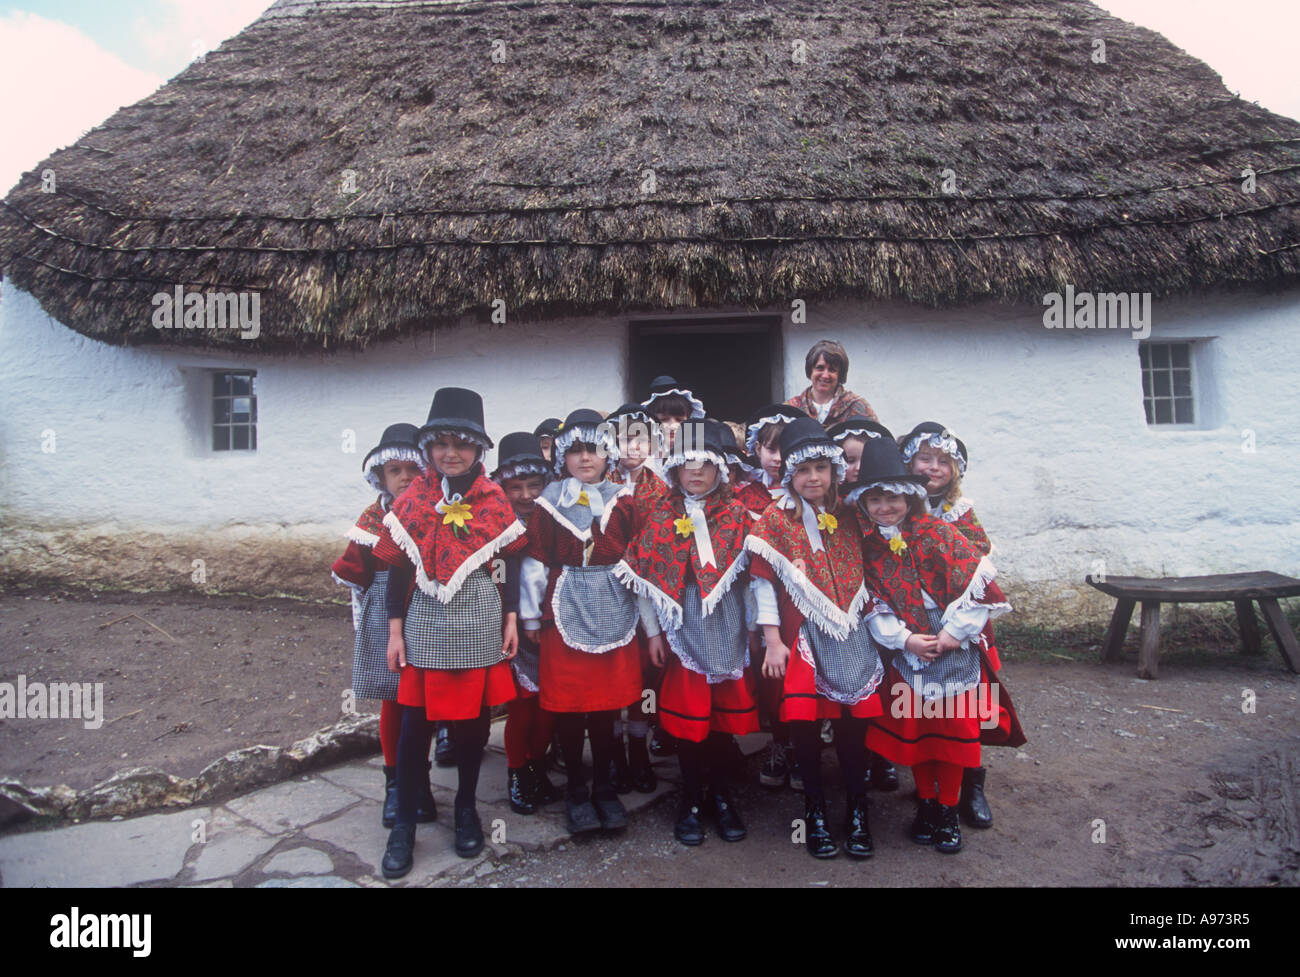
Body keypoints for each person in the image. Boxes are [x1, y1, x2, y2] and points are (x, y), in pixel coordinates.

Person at [373, 388, 526, 877]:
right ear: (428, 448)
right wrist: (395, 631)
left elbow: (508, 563)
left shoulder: (493, 497)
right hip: (425, 618)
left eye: (462, 443)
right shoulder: (414, 498)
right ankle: (405, 826)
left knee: (472, 724)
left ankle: (466, 808)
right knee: (416, 724)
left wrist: (510, 617)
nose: (451, 453)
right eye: (441, 443)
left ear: (479, 448)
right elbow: (397, 567)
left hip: (479, 615)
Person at [848, 437, 1023, 855]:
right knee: (920, 735)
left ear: (909, 496)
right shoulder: (866, 547)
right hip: (909, 651)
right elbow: (871, 602)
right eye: (875, 499)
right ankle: (926, 805)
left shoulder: (938, 533)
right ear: (863, 503)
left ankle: (948, 811)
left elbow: (980, 586)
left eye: (892, 497)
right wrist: (904, 639)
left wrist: (952, 633)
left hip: (952, 646)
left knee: (950, 735)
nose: (885, 506)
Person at [745, 417, 910, 860]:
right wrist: (773, 639)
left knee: (853, 727)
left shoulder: (851, 514)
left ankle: (859, 811)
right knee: (804, 729)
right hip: (801, 638)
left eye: (821, 468)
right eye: (803, 470)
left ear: (835, 471)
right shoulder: (774, 521)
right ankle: (814, 812)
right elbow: (763, 583)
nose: (813, 478)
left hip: (851, 633)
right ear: (790, 475)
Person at [613, 419, 758, 846]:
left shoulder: (739, 517)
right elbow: (645, 580)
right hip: (683, 628)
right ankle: (691, 798)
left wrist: (752, 632)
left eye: (705, 464)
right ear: (674, 469)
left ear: (721, 470)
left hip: (728, 626)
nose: (696, 472)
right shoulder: (661, 517)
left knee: (720, 724)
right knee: (692, 723)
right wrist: (655, 633)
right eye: (686, 464)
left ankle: (721, 796)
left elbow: (753, 583)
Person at [520, 409, 644, 835]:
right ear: (563, 457)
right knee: (571, 708)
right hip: (564, 608)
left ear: (607, 452)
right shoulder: (549, 503)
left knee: (607, 708)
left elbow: (638, 562)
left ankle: (605, 789)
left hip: (614, 609)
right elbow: (536, 563)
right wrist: (532, 615)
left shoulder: (625, 500)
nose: (584, 458)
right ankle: (576, 788)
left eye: (592, 449)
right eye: (574, 450)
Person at [899, 421, 999, 826]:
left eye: (943, 461)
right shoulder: (897, 506)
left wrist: (957, 629)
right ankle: (925, 786)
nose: (934, 468)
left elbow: (983, 572)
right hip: (914, 624)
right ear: (910, 463)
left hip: (961, 626)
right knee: (918, 705)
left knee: (965, 708)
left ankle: (970, 782)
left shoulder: (961, 513)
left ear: (954, 470)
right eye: (926, 459)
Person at [330, 422, 430, 828]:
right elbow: (355, 577)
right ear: (381, 477)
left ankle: (419, 779)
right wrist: (365, 626)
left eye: (412, 468)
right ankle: (395, 783)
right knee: (394, 698)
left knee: (422, 700)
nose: (405, 477)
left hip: (428, 611)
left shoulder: (434, 514)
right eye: (395, 471)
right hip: (385, 617)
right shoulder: (373, 521)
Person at [492, 432, 564, 815]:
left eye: (533, 486)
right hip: (512, 625)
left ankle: (538, 763)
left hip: (554, 622)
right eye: (514, 487)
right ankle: (517, 770)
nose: (524, 495)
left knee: (548, 702)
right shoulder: (495, 527)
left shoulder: (555, 518)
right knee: (523, 703)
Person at [828, 416, 900, 793]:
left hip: (892, 608)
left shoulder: (888, 503)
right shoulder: (833, 508)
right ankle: (852, 754)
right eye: (848, 460)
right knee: (858, 683)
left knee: (890, 679)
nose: (854, 469)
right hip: (851, 609)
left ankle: (883, 753)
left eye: (861, 460)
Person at [602, 402, 670, 793]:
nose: (632, 447)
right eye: (624, 439)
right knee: (614, 670)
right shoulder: (598, 483)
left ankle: (639, 745)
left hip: (646, 592)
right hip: (605, 590)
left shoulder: (660, 490)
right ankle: (611, 750)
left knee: (646, 674)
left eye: (640, 439)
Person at [741, 403, 804, 789]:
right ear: (756, 450)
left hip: (800, 600)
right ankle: (779, 742)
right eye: (770, 448)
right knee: (771, 674)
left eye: (785, 449)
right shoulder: (745, 496)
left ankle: (803, 744)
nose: (777, 458)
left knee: (803, 673)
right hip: (756, 596)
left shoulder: (811, 493)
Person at [785, 339, 878, 426]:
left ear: (840, 374)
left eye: (832, 370)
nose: (825, 375)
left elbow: (877, 440)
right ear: (810, 370)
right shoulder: (791, 409)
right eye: (820, 368)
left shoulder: (858, 406)